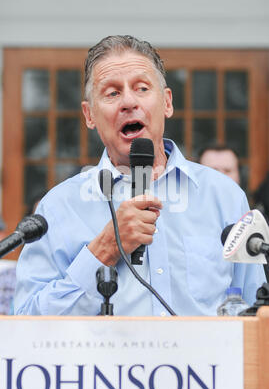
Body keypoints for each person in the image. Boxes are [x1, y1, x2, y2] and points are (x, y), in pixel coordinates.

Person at [14, 35, 266, 317]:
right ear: (89, 115)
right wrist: (104, 249)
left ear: (167, 103)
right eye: (111, 93)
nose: (128, 102)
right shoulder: (59, 207)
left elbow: (256, 311)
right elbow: (26, 322)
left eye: (142, 88)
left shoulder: (225, 196)